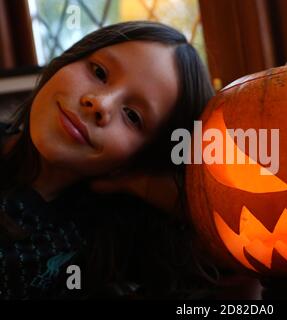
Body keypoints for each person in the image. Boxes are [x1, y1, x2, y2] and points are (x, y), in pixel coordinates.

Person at [0, 21, 219, 300]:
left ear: (141, 158)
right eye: (99, 72)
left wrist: (142, 183)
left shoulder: (94, 250)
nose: (100, 104)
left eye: (133, 116)